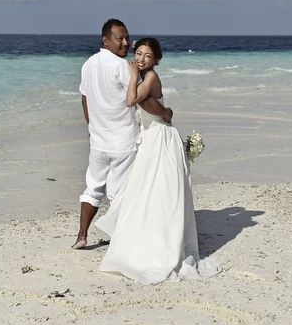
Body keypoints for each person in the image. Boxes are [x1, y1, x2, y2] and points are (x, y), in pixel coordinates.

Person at [94, 37, 221, 283]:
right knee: (146, 190)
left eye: (148, 56)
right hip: (151, 139)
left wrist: (133, 76)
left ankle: (162, 244)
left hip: (162, 139)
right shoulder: (143, 77)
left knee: (161, 191)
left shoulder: (149, 77)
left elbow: (131, 101)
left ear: (157, 60)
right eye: (139, 53)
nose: (141, 59)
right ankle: (147, 239)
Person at [72, 20, 172, 250]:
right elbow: (143, 100)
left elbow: (85, 98)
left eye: (127, 37)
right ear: (105, 40)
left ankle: (82, 235)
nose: (126, 43)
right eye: (120, 38)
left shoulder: (88, 64)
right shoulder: (123, 67)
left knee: (93, 187)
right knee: (119, 192)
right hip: (123, 140)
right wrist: (165, 113)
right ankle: (120, 239)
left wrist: (92, 127)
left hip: (98, 140)